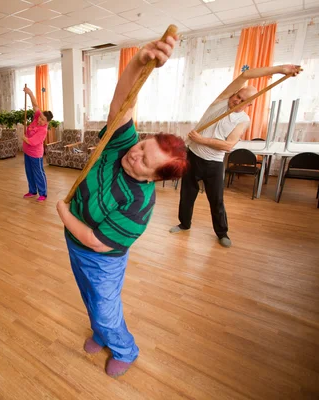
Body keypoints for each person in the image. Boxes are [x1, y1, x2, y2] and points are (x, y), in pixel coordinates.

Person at [56, 33, 188, 378]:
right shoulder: (122, 144)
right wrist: (138, 61)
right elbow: (122, 105)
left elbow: (97, 242)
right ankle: (100, 334)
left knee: (105, 307)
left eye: (145, 161)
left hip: (102, 258)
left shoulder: (138, 204)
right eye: (143, 146)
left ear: (155, 178)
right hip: (75, 242)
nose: (135, 154)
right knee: (88, 299)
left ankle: (125, 350)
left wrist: (63, 213)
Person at [169, 64, 301, 248]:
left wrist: (202, 139)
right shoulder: (220, 101)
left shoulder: (243, 120)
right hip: (193, 157)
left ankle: (222, 233)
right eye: (237, 96)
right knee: (187, 195)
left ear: (249, 105)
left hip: (213, 164)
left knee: (216, 200)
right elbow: (246, 74)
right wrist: (280, 70)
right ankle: (184, 224)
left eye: (242, 100)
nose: (236, 100)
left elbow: (229, 145)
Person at [21, 86, 52, 202]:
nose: (40, 120)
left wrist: (23, 137)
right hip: (27, 152)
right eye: (40, 117)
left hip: (35, 154)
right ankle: (32, 191)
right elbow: (35, 105)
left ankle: (43, 193)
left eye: (43, 119)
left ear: (47, 122)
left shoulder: (43, 130)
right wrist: (30, 93)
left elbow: (32, 142)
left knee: (38, 173)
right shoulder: (37, 118)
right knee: (29, 172)